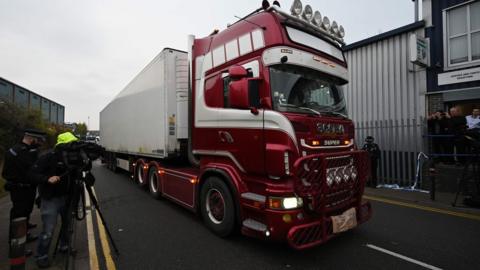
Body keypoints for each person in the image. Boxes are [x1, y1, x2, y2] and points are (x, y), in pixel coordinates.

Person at [28, 132, 78, 268]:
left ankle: (64, 245)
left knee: (67, 226)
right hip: (51, 199)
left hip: (67, 197)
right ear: (62, 145)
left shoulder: (71, 159)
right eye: (70, 145)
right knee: (48, 229)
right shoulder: (48, 157)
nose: (72, 148)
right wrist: (47, 179)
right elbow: (32, 174)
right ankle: (41, 255)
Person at [2, 128, 46, 256]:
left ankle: (24, 232)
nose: (39, 143)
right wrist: (45, 179)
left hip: (22, 188)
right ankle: (16, 246)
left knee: (25, 212)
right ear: (31, 139)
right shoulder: (24, 153)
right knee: (19, 216)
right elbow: (31, 173)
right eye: (38, 140)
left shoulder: (16, 149)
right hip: (22, 189)